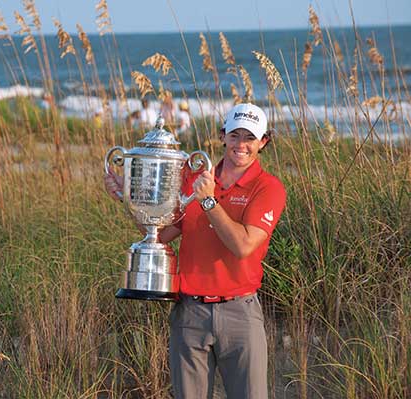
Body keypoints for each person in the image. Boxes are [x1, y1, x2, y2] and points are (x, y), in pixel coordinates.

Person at [104, 103, 286, 399]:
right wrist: (128, 197)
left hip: (240, 313)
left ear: (263, 142)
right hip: (189, 313)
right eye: (235, 135)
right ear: (222, 136)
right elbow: (160, 233)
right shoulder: (195, 179)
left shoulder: (268, 188)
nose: (241, 145)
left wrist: (208, 202)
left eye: (250, 138)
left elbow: (243, 246)